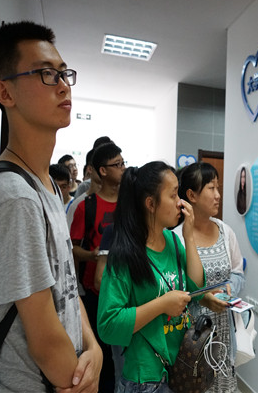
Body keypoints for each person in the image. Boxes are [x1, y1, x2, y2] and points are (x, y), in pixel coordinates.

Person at [0, 20, 102, 392]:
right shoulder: (14, 197)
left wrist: (94, 348)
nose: (63, 85)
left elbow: (67, 288)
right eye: (45, 74)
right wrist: (84, 381)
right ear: (5, 92)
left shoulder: (47, 185)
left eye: (64, 73)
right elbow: (44, 343)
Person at [97, 162, 205, 393]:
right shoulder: (125, 255)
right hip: (144, 378)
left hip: (179, 368)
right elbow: (108, 325)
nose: (180, 203)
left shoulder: (173, 241)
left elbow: (197, 289)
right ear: (151, 204)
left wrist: (189, 237)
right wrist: (162, 305)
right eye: (173, 195)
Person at [174, 162, 246, 392]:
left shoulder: (226, 232)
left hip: (223, 331)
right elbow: (174, 288)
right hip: (191, 337)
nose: (218, 195)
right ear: (191, 195)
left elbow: (238, 272)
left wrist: (229, 289)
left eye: (218, 188)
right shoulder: (176, 238)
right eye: (211, 188)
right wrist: (204, 297)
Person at [70, 141, 125, 392]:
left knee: (122, 357)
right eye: (117, 164)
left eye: (123, 163)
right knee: (100, 355)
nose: (123, 168)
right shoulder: (86, 206)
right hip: (95, 293)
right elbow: (72, 249)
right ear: (102, 171)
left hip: (125, 292)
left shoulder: (129, 206)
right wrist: (94, 255)